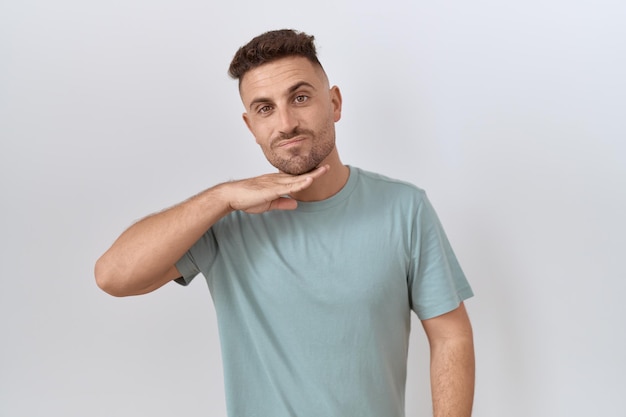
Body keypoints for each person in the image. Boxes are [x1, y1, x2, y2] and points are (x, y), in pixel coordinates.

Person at [95, 29, 475, 417]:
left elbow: (450, 334)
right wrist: (221, 197)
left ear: (335, 103)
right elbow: (113, 276)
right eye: (265, 109)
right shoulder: (227, 222)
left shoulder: (403, 208)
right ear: (251, 127)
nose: (286, 123)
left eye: (300, 97)